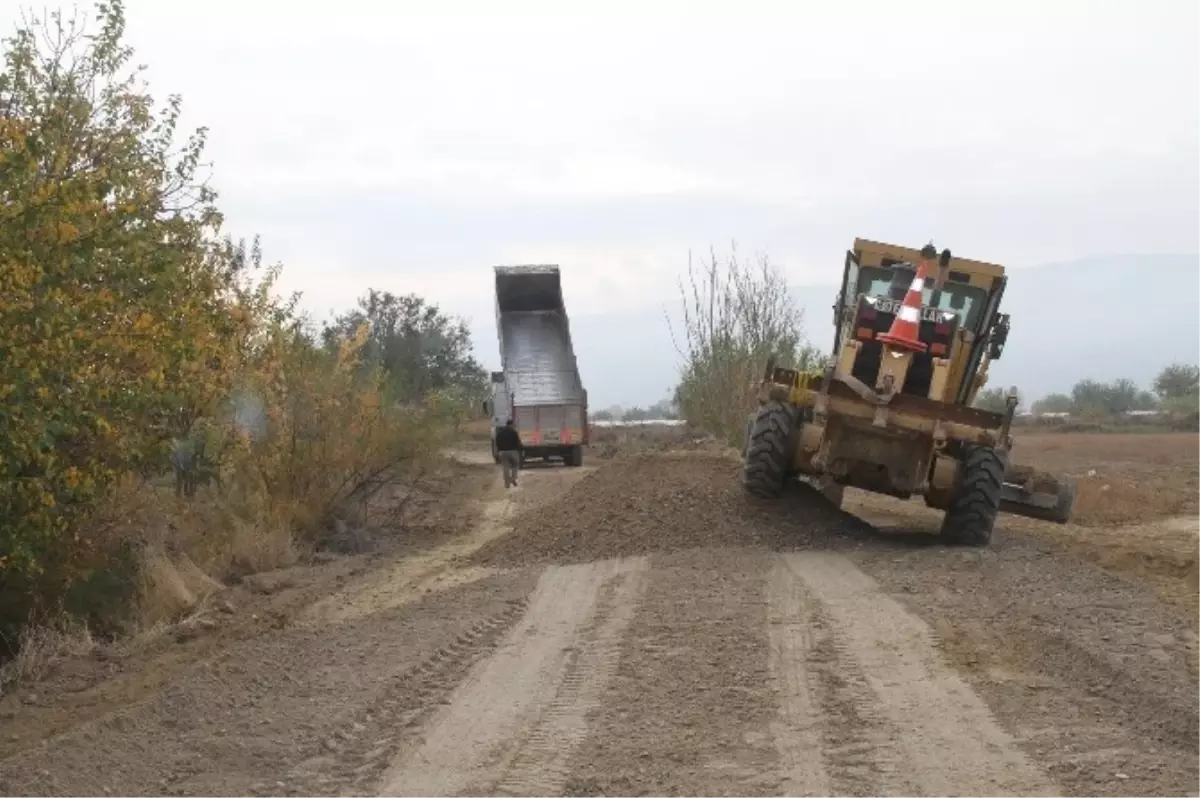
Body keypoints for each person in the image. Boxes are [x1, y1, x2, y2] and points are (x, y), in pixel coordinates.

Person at [494, 418, 523, 488]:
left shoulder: (500, 433)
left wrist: (498, 452)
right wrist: (521, 450)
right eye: (513, 425)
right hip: (513, 452)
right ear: (511, 424)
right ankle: (513, 478)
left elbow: (496, 443)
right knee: (515, 465)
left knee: (505, 467)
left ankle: (507, 484)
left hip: (502, 452)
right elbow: (518, 443)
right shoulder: (514, 432)